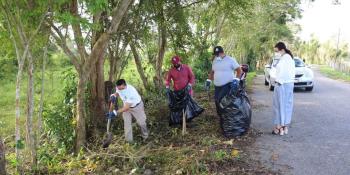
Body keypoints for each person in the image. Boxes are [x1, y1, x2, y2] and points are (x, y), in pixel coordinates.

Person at [271, 42, 295, 136]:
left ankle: (279, 127)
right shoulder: (289, 58)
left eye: (276, 51)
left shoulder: (285, 59)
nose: (276, 53)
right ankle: (284, 126)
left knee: (279, 106)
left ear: (281, 49)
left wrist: (278, 82)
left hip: (282, 84)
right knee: (287, 106)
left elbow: (282, 73)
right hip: (289, 84)